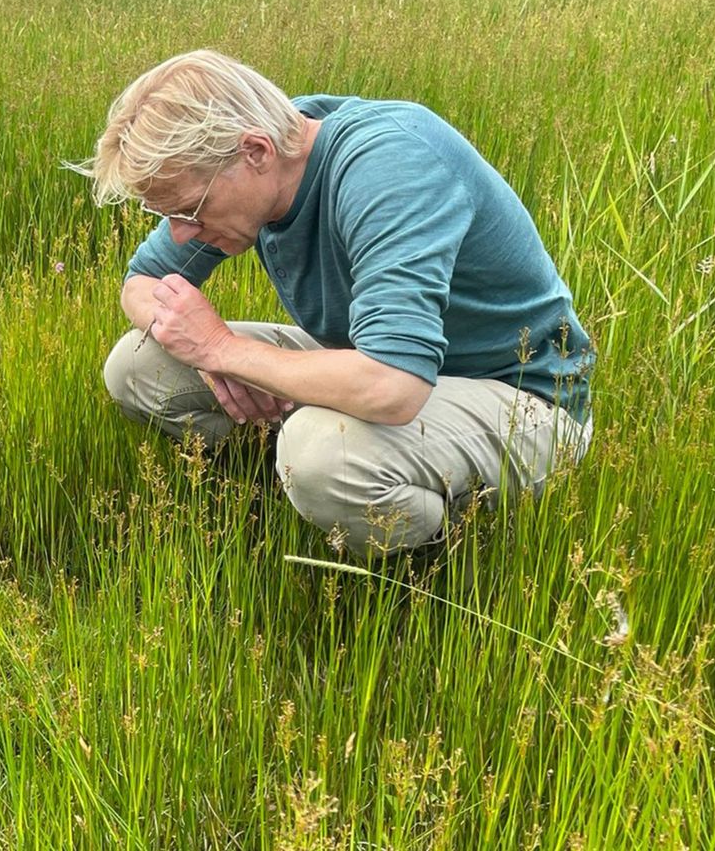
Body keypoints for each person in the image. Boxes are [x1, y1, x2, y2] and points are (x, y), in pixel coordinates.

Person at [85, 50, 593, 557]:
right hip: (383, 370)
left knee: (322, 451)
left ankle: (433, 564)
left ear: (255, 152)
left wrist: (222, 349)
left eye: (189, 210)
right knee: (139, 365)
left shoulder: (390, 167)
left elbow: (394, 386)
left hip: (522, 399)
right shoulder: (275, 154)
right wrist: (208, 353)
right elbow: (143, 281)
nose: (180, 232)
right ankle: (300, 495)